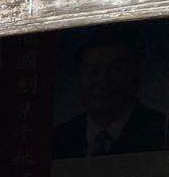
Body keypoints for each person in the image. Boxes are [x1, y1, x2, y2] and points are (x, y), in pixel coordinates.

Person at [52, 25, 168, 159]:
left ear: (137, 72)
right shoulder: (59, 138)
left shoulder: (161, 130)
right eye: (93, 71)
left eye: (116, 69)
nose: (103, 82)